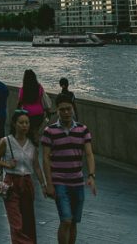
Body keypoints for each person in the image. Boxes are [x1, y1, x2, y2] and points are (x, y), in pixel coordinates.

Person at [42, 93, 96, 244]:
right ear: (57, 110)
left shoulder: (83, 130)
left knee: (73, 222)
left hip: (77, 182)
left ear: (73, 109)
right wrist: (49, 183)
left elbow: (89, 154)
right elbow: (45, 158)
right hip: (60, 182)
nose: (66, 112)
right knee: (66, 219)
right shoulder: (49, 131)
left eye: (68, 109)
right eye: (62, 110)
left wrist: (91, 176)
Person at [0, 109, 44, 244]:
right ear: (14, 124)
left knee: (28, 221)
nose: (24, 126)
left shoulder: (33, 144)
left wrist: (44, 185)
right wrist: (7, 165)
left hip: (27, 182)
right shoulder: (6, 141)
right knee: (16, 222)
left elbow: (37, 167)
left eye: (27, 123)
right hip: (11, 182)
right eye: (21, 122)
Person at [17, 69, 49, 141]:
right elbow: (42, 98)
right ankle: (36, 148)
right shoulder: (39, 87)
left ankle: (29, 148)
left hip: (28, 114)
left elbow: (20, 102)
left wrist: (17, 112)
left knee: (27, 132)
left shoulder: (23, 89)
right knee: (36, 132)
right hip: (39, 114)